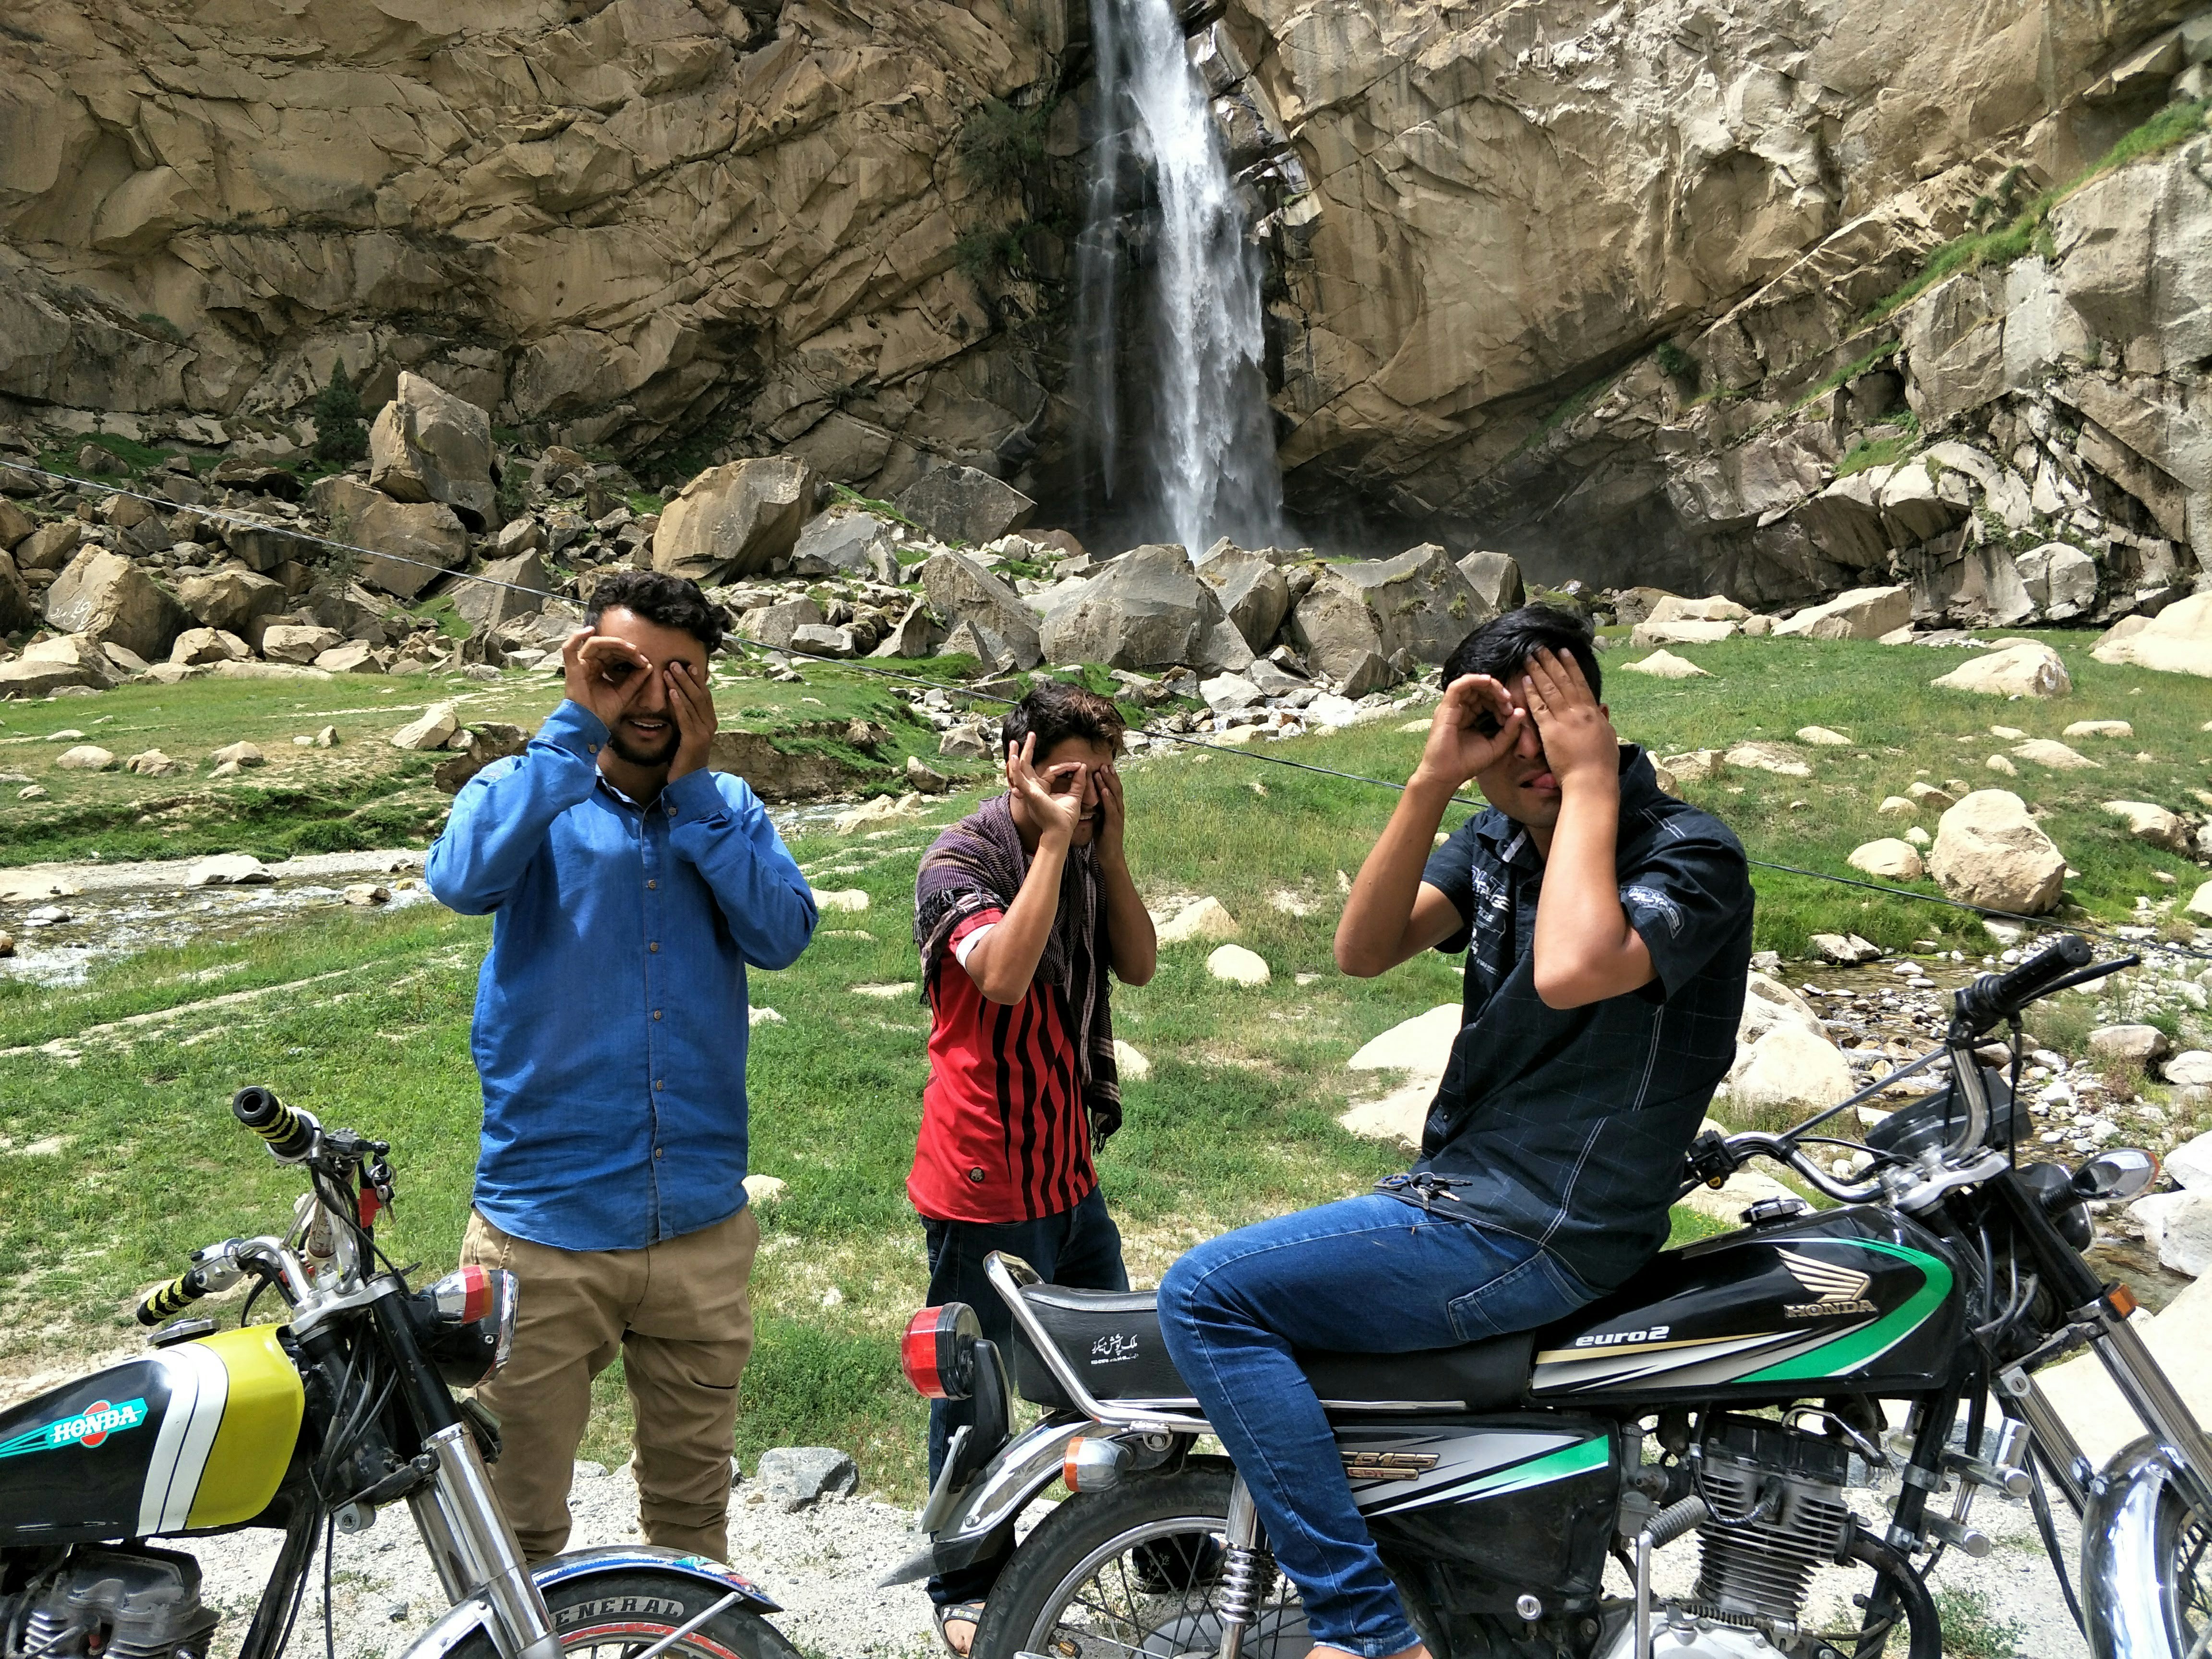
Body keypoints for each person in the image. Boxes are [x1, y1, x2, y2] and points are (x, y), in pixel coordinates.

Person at [1156, 604, 1754, 1659]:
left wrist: (1591, 783)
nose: (1529, 748)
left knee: (1206, 1296)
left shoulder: (1690, 854)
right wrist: (1433, 778)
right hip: (1470, 1196)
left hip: (1545, 1223)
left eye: (1552, 715)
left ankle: (1366, 1630)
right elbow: (1363, 949)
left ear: (1595, 711)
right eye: (1498, 726)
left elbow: (1573, 969)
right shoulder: (1494, 841)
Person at [425, 568, 817, 1564]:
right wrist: (571, 727)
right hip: (543, 1230)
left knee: (692, 1525)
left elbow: (782, 935)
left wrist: (696, 793)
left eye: (681, 675)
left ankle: (689, 1631)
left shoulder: (729, 806)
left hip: (699, 1226)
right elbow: (460, 879)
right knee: (513, 1531)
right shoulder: (527, 789)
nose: (652, 696)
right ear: (584, 669)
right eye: (625, 669)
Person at [908, 681, 1159, 1653]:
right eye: (1063, 776)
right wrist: (1055, 844)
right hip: (980, 1172)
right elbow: (1003, 978)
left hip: (1064, 1165)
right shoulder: (959, 861)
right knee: (975, 1391)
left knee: (1123, 1368)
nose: (1083, 796)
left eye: (1101, 779)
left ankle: (1153, 1544)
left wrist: (1108, 850)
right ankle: (964, 1586)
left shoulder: (1089, 855)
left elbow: (1138, 963)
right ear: (1013, 765)